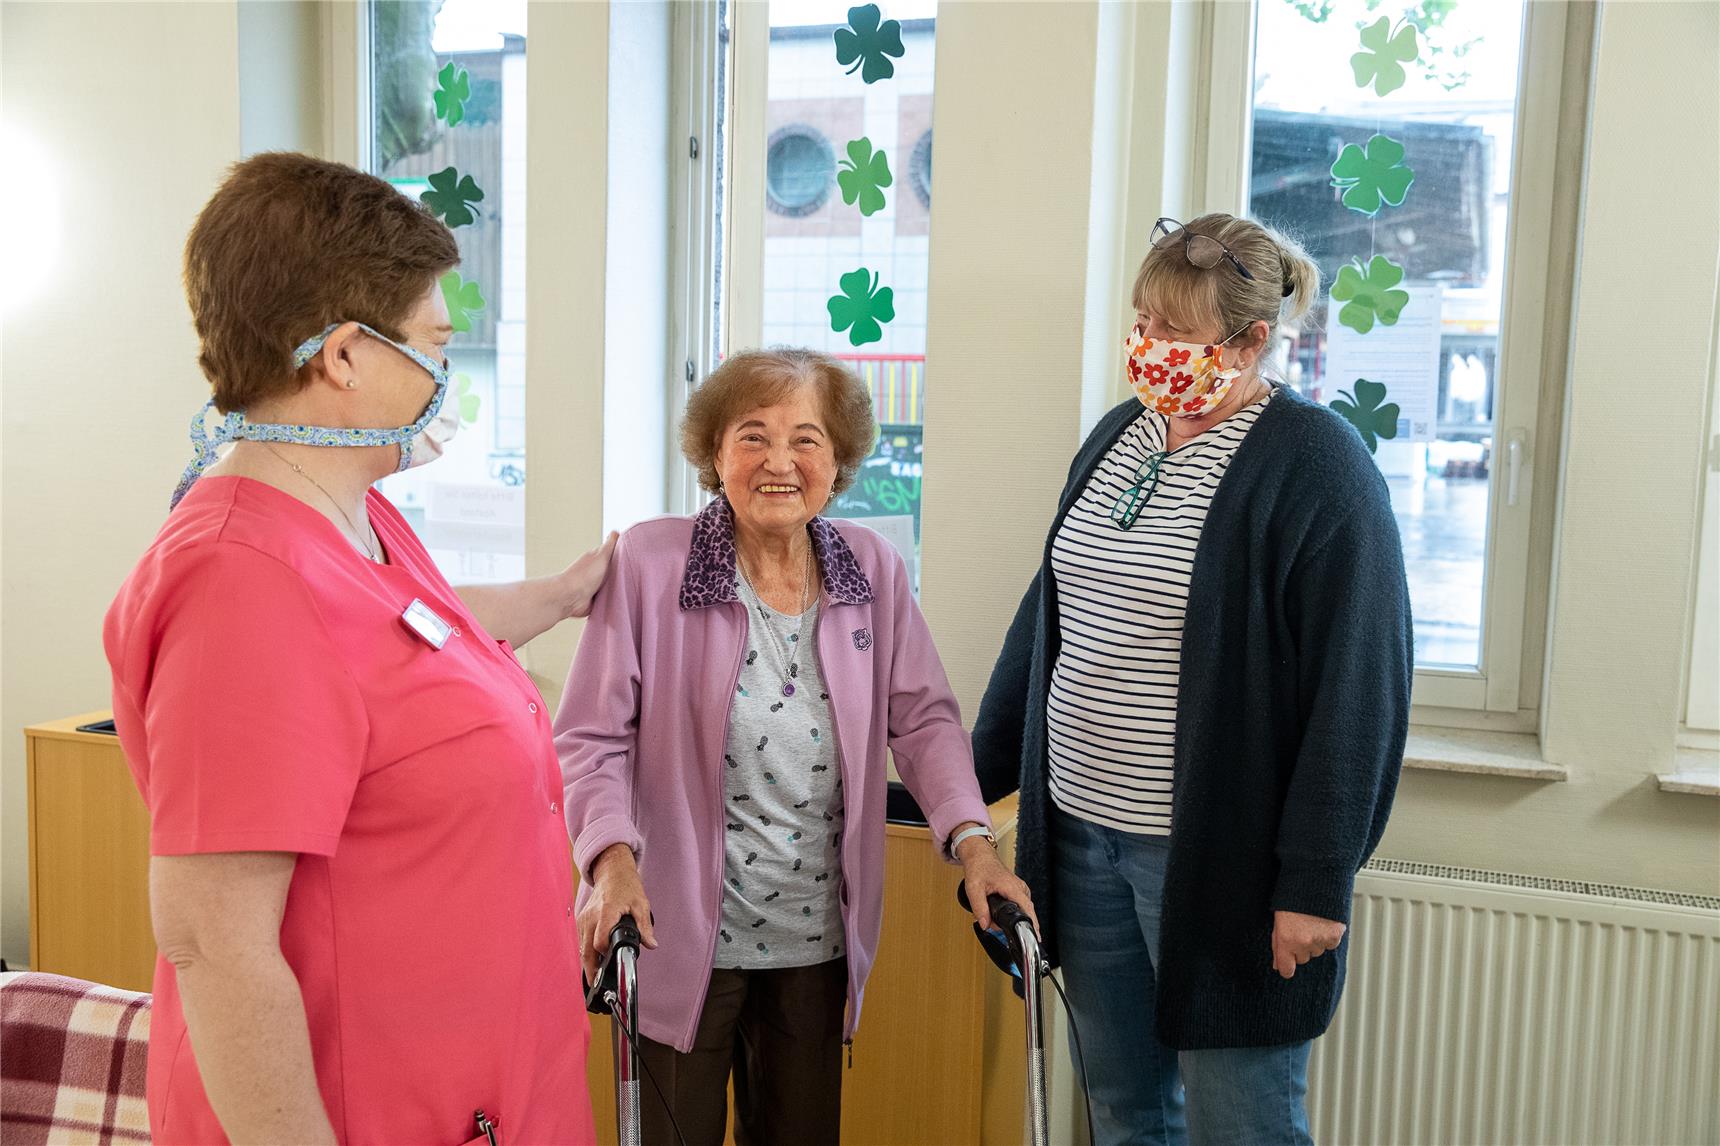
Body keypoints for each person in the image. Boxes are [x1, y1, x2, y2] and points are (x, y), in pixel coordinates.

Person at [103, 152, 606, 1145]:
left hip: (492, 1085)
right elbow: (214, 943)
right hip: (373, 1109)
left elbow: (398, 643)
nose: (442, 375)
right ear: (343, 357)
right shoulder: (237, 582)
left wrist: (566, 594)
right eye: (431, 345)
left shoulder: (351, 520)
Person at [972, 213, 1412, 1146]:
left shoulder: (1317, 466)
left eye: (1175, 332)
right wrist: (972, 787)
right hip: (1081, 835)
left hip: (1219, 865)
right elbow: (1054, 609)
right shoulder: (1120, 437)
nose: (1150, 348)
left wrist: (1316, 880)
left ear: (1253, 341)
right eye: (1143, 320)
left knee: (1240, 1125)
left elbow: (1359, 690)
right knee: (1125, 1113)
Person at [556, 348, 1034, 1146]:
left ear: (839, 460)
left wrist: (976, 846)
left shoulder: (871, 570)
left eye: (806, 439)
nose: (780, 462)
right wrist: (609, 861)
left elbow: (924, 722)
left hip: (815, 943)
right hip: (672, 934)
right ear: (714, 453)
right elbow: (592, 735)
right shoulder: (651, 563)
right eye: (753, 436)